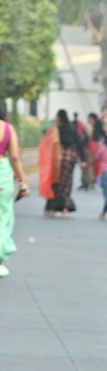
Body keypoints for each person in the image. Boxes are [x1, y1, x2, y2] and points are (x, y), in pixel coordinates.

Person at [0, 104, 30, 277]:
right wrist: (23, 182)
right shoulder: (8, 129)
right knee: (3, 217)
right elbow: (14, 157)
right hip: (2, 177)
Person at [39, 111, 80, 216]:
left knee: (57, 183)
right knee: (67, 183)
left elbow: (52, 140)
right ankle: (66, 208)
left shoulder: (57, 128)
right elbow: (78, 141)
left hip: (60, 156)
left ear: (59, 117)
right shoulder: (72, 127)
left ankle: (53, 207)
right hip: (71, 156)